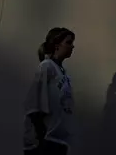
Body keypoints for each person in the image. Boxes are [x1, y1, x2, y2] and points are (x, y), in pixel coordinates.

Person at [23, 27, 76, 155]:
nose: (72, 47)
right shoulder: (47, 66)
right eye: (69, 42)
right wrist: (40, 134)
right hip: (45, 140)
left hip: (60, 140)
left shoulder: (64, 74)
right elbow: (34, 102)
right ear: (57, 46)